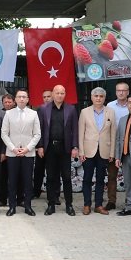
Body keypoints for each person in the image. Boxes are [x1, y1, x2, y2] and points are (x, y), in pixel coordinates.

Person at [38, 85, 79, 216]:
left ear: (65, 94)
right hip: (49, 147)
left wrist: (75, 146)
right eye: (57, 93)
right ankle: (51, 205)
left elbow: (75, 129)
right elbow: (39, 129)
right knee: (50, 177)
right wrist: (40, 146)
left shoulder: (71, 109)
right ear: (53, 94)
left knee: (66, 177)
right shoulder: (43, 109)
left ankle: (69, 205)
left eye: (62, 93)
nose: (60, 95)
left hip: (65, 148)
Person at [0, 90, 41, 216]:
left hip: (28, 153)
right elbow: (4, 133)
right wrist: (13, 148)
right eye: (19, 97)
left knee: (27, 181)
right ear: (16, 100)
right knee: (12, 181)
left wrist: (28, 148)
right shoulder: (8, 114)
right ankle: (12, 207)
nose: (22, 99)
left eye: (24, 97)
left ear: (28, 99)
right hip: (13, 153)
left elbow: (37, 134)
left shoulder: (33, 114)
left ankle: (28, 206)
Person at [78, 87, 116, 215]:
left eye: (101, 96)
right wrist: (81, 151)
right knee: (87, 178)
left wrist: (112, 153)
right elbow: (81, 133)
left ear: (104, 98)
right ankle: (87, 204)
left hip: (104, 151)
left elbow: (113, 133)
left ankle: (98, 205)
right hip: (88, 150)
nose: (98, 98)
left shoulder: (110, 112)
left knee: (101, 179)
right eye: (96, 96)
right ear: (91, 97)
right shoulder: (84, 112)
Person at [105, 81, 130, 209]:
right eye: (119, 90)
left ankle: (129, 201)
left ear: (128, 92)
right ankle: (111, 201)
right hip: (113, 144)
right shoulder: (110, 106)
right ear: (116, 92)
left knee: (129, 175)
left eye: (123, 90)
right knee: (112, 175)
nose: (121, 93)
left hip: (128, 144)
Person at [32, 89, 53, 198]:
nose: (46, 99)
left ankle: (54, 195)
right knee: (39, 170)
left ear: (53, 96)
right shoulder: (40, 109)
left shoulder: (60, 109)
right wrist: (39, 146)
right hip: (42, 146)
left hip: (54, 146)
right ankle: (36, 192)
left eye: (48, 96)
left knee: (53, 171)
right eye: (44, 97)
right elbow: (38, 129)